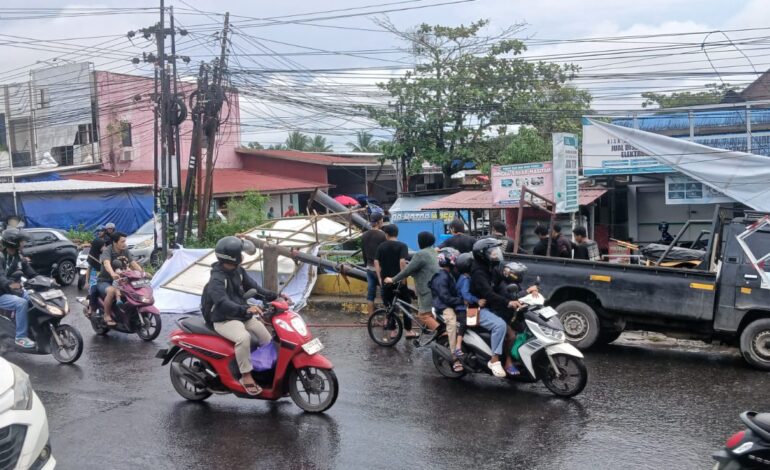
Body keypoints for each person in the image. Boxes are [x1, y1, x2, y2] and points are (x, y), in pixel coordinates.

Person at [204, 236, 290, 396]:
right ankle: (246, 375)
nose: (243, 256)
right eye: (240, 253)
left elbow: (255, 288)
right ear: (233, 256)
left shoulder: (238, 271)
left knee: (266, 337)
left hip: (241, 313)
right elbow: (222, 303)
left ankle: (264, 371)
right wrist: (247, 310)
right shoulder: (217, 279)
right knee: (244, 338)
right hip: (224, 319)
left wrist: (276, 296)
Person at [469, 238, 522, 377]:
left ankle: (508, 361)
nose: (495, 254)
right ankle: (494, 360)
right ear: (482, 254)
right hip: (475, 310)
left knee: (512, 334)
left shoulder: (491, 267)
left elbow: (504, 282)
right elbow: (488, 294)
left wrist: (525, 292)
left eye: (495, 252)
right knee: (500, 326)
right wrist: (508, 303)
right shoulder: (478, 273)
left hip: (490, 307)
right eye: (492, 252)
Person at [385, 231, 440, 332]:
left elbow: (406, 271)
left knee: (423, 315)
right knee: (431, 314)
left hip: (427, 289)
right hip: (437, 287)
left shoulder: (420, 254)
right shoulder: (433, 251)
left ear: (421, 241)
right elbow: (421, 267)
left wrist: (392, 279)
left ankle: (443, 334)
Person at [375, 224, 414, 337]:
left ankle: (393, 331)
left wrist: (379, 278)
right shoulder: (402, 246)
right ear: (397, 233)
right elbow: (402, 262)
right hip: (399, 283)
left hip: (386, 281)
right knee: (406, 305)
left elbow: (376, 263)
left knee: (390, 307)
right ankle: (408, 331)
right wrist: (403, 278)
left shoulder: (381, 246)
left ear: (386, 234)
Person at [96, 232, 143, 326]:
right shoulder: (108, 250)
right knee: (112, 291)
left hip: (122, 280)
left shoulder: (125, 250)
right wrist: (112, 273)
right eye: (122, 241)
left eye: (125, 241)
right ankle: (106, 315)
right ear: (114, 242)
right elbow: (106, 263)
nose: (124, 243)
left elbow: (133, 263)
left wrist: (142, 272)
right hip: (105, 281)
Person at [429, 247, 464, 372]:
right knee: (452, 324)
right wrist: (461, 301)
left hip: (449, 303)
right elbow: (445, 297)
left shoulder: (449, 274)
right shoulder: (441, 277)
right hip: (443, 306)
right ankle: (455, 357)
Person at [0, 229, 36, 348]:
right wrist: (10, 284)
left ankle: (31, 327)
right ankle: (20, 337)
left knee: (34, 298)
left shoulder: (18, 257)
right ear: (13, 242)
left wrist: (45, 280)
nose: (23, 244)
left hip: (11, 290)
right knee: (21, 303)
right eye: (21, 241)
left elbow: (30, 272)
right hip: (2, 292)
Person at [361, 213, 387, 317]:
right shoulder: (383, 235)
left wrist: (366, 265)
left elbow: (363, 253)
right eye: (382, 220)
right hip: (381, 270)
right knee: (385, 294)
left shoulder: (364, 235)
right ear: (379, 221)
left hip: (369, 269)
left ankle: (371, 319)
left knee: (370, 295)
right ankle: (387, 319)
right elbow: (385, 254)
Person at [85, 226, 106, 315]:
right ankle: (91, 309)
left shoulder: (105, 255)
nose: (105, 247)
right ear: (98, 246)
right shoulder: (92, 257)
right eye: (103, 246)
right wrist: (86, 282)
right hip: (94, 279)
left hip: (104, 277)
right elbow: (88, 270)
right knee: (94, 291)